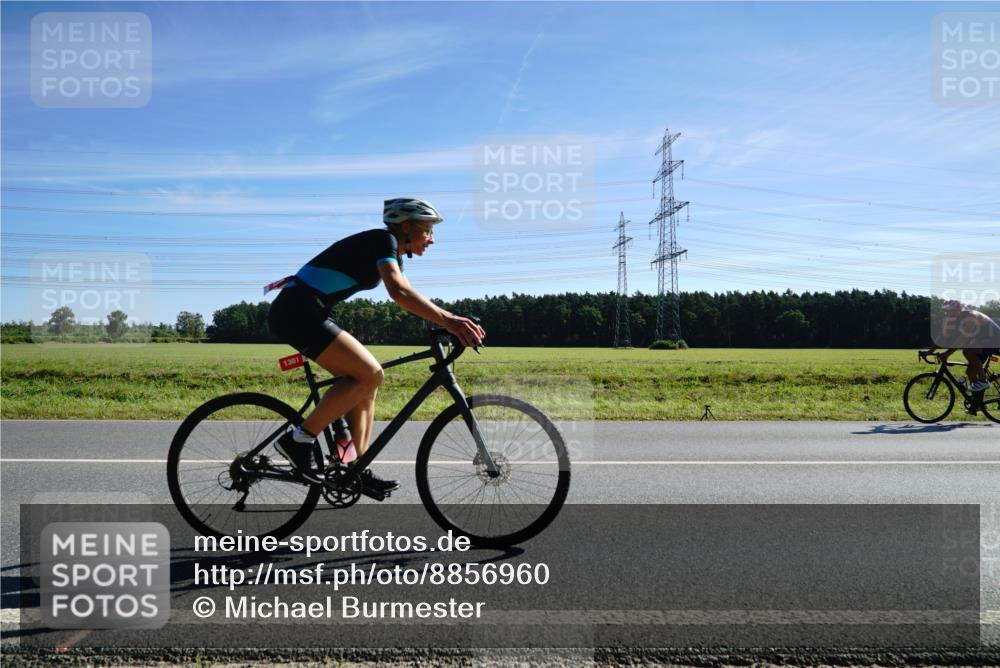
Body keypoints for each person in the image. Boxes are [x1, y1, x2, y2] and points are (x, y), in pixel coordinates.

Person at [266, 198, 485, 497]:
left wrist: (440, 323)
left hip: (311, 311)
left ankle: (355, 467)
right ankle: (299, 439)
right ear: (406, 227)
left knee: (366, 383)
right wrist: (449, 321)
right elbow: (399, 291)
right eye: (428, 231)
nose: (432, 239)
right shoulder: (384, 240)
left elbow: (409, 295)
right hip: (298, 311)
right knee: (371, 373)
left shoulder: (391, 250)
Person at [924, 300, 1000, 396]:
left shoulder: (971, 317)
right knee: (970, 372)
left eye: (950, 311)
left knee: (968, 352)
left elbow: (963, 339)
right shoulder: (952, 320)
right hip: (982, 341)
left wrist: (947, 353)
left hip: (995, 340)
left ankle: (983, 380)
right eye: (946, 312)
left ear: (958, 310)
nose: (948, 314)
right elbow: (943, 337)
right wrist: (929, 351)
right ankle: (976, 402)